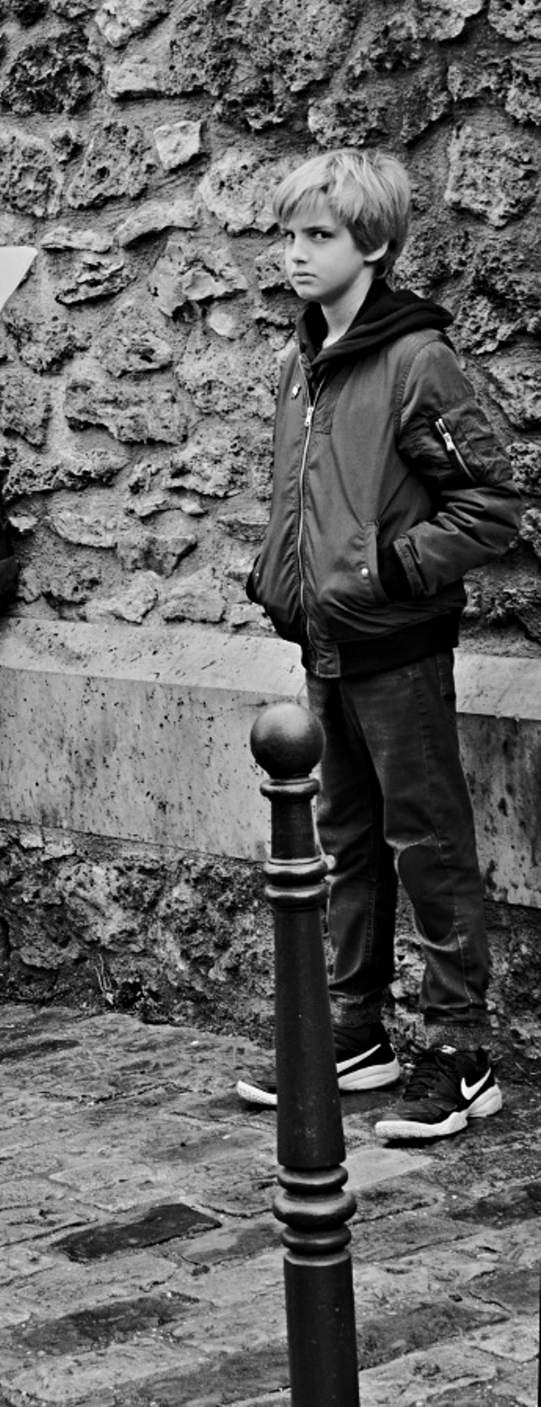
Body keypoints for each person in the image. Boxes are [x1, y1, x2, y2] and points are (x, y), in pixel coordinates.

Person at [238, 148, 521, 1143]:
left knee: (424, 841)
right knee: (344, 841)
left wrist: (395, 570)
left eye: (317, 236)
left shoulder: (415, 361)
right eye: (288, 235)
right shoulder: (298, 361)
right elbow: (301, 495)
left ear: (373, 244)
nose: (294, 255)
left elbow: (489, 502)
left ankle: (458, 1048)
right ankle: (354, 1029)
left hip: (395, 646)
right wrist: (276, 578)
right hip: (323, 644)